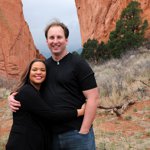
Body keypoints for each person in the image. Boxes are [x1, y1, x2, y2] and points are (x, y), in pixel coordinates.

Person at [8, 20, 99, 150]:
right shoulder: (45, 67)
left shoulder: (78, 64)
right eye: (51, 37)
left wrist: (84, 130)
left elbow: (93, 98)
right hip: (50, 135)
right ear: (47, 41)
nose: (55, 41)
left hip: (76, 134)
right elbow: (30, 88)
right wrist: (12, 96)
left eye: (59, 37)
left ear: (66, 40)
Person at [6, 59, 85, 150]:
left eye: (43, 70)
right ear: (28, 72)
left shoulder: (37, 91)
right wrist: (80, 112)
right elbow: (52, 115)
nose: (39, 72)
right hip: (23, 144)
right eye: (34, 70)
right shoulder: (27, 91)